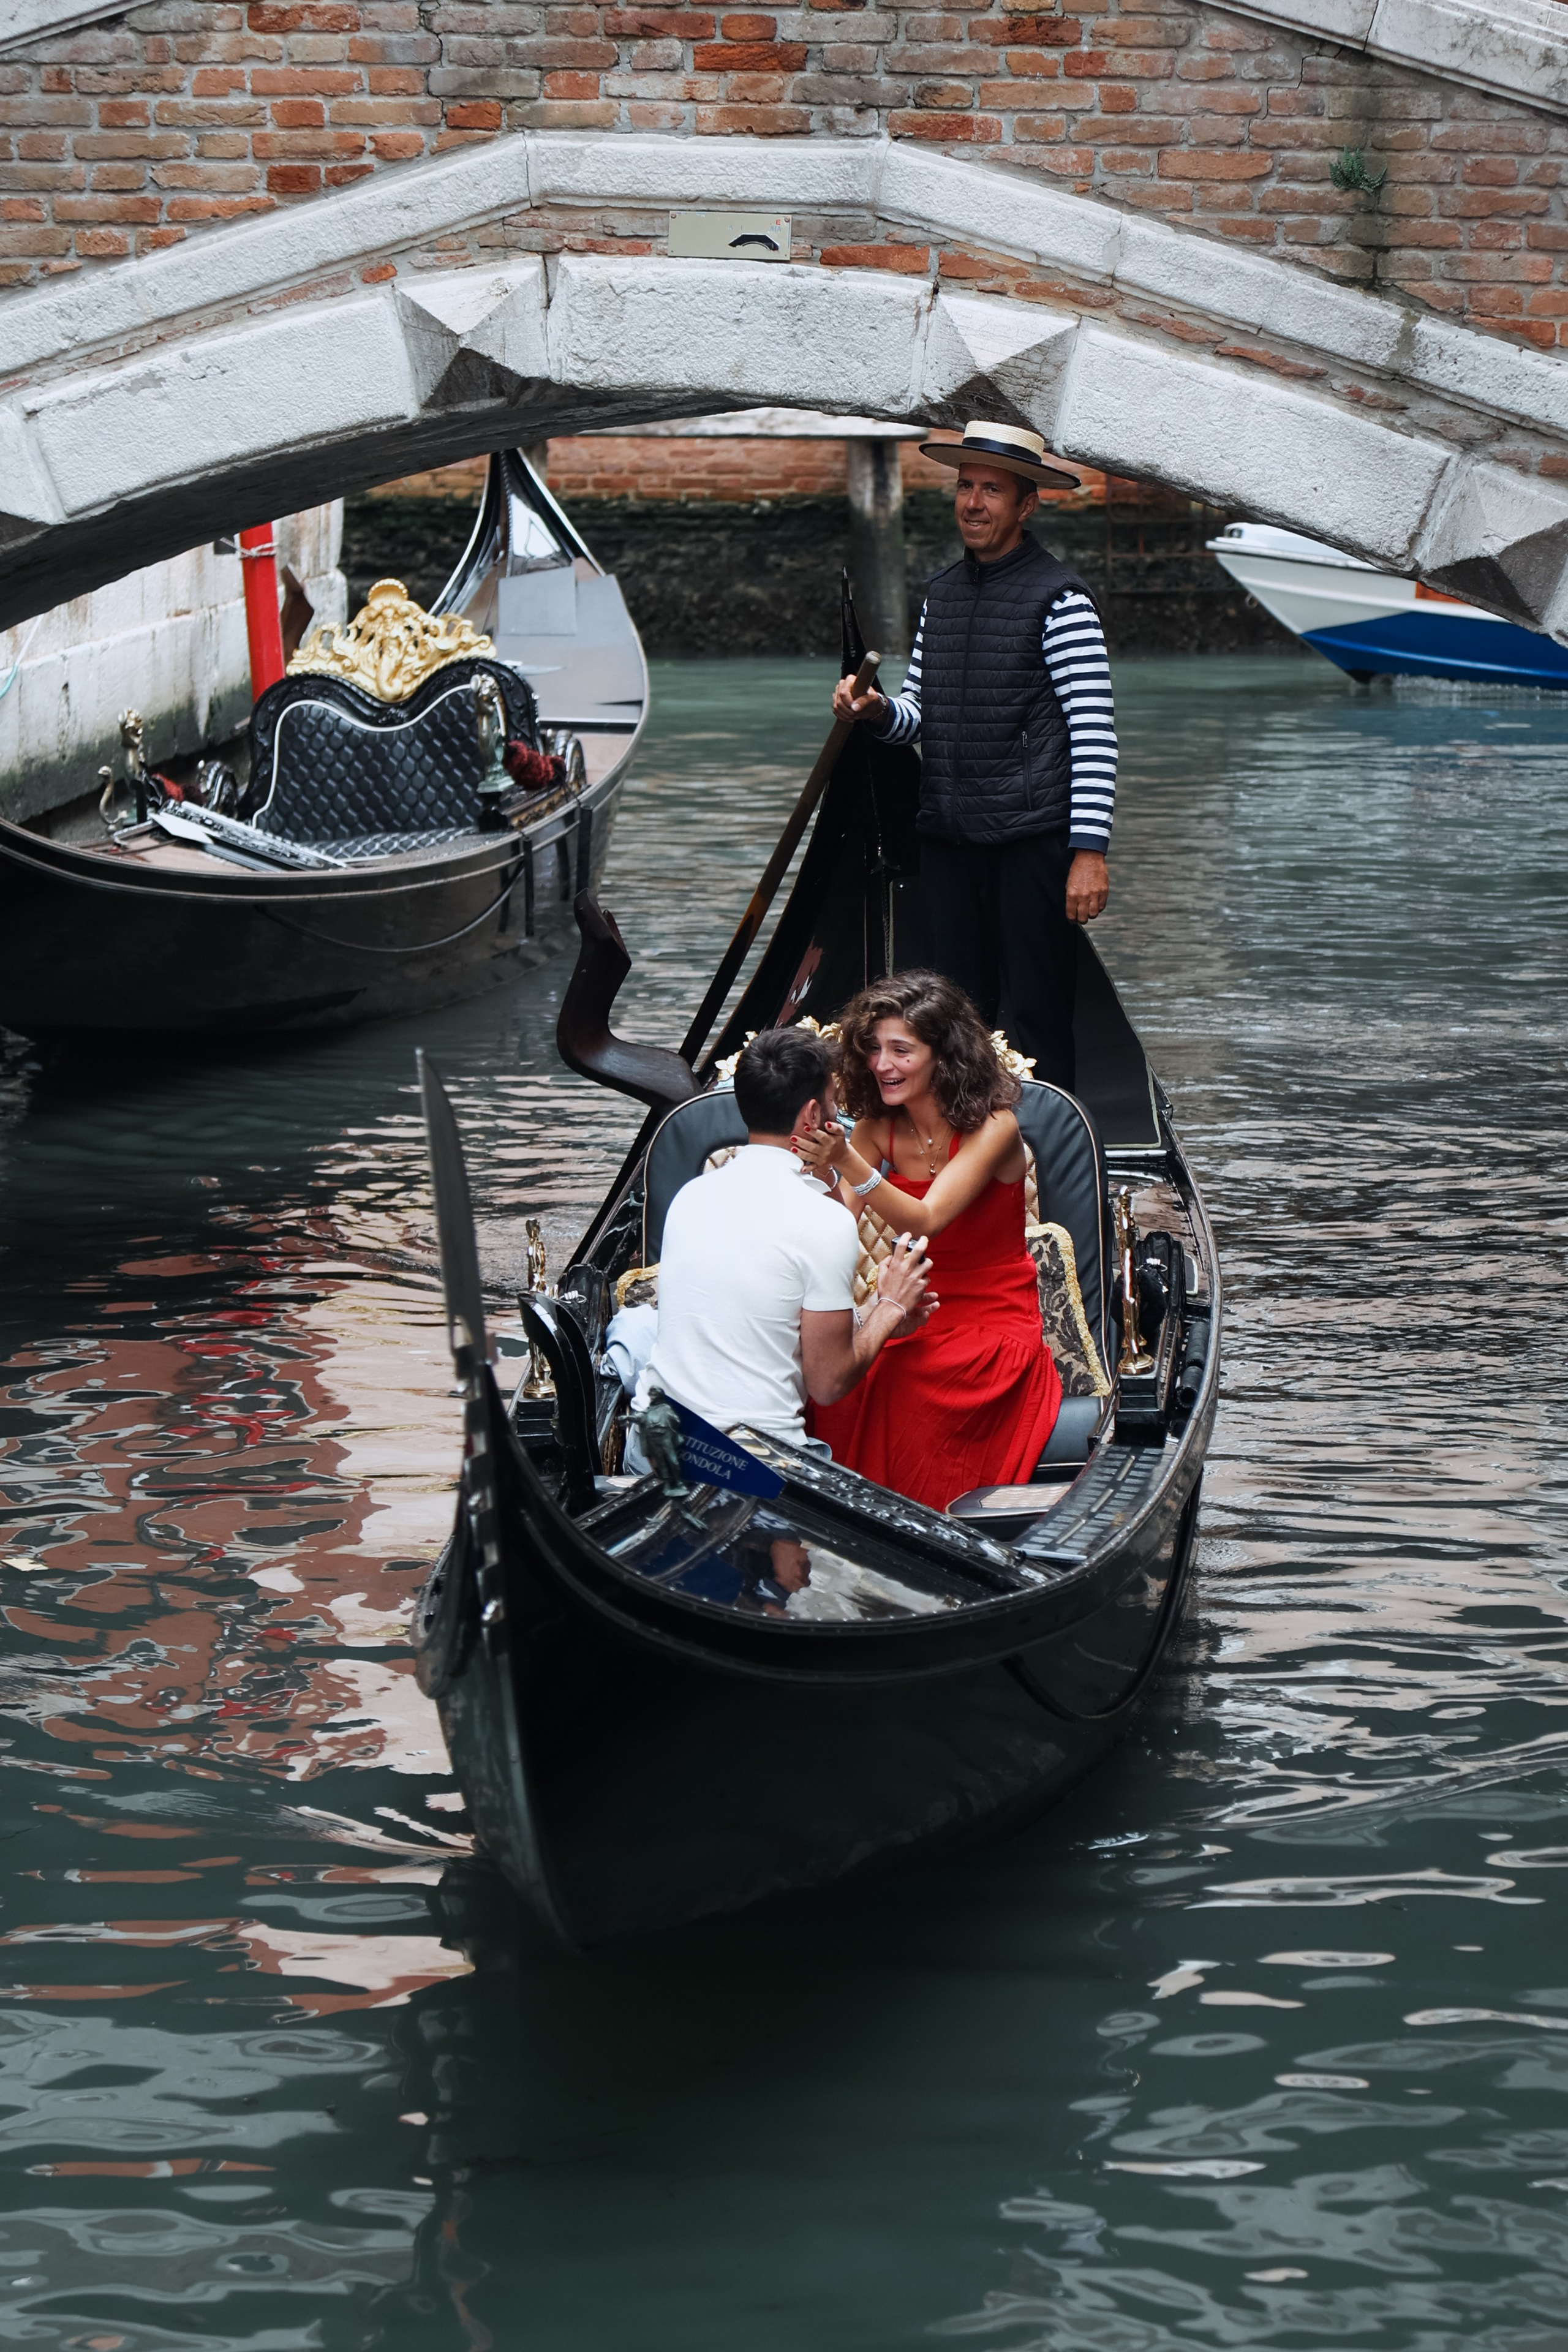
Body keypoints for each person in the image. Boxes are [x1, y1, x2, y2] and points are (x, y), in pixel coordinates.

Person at [831, 419, 1117, 1093]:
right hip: (950, 842)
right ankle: (954, 1164)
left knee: (1038, 1018)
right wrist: (873, 713)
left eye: (994, 490)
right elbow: (917, 715)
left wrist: (1088, 851)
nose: (974, 503)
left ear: (1026, 505)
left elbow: (1093, 730)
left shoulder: (1061, 600)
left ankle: (1045, 1166)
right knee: (947, 1021)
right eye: (966, 486)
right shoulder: (941, 595)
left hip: (1030, 845)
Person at [793, 970, 1061, 1512]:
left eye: (901, 1050)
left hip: (994, 1312)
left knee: (908, 1380)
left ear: (945, 1054)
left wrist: (845, 1158)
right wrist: (815, 1179)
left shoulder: (995, 1126)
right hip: (916, 1304)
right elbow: (837, 1222)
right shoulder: (876, 1128)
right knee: (839, 1383)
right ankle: (844, 1524)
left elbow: (929, 1219)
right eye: (873, 1049)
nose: (882, 1065)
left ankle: (923, 1525)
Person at [633, 1025, 935, 1455]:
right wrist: (891, 1307)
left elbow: (766, 1324)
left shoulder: (691, 1195)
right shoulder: (823, 1221)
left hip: (650, 1446)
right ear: (813, 1115)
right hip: (748, 1463)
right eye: (834, 1102)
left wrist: (871, 1313)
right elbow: (828, 1384)